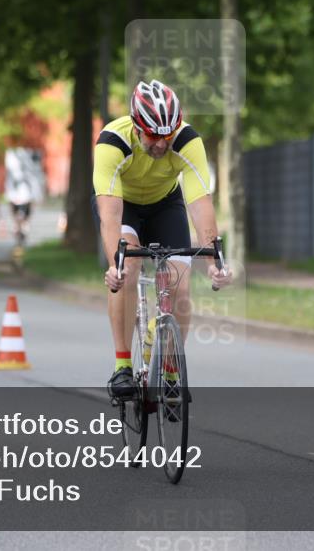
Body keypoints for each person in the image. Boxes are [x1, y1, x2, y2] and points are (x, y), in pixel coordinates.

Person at [92, 79, 231, 400]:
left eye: (167, 137)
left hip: (165, 204)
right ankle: (123, 365)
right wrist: (115, 264)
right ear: (136, 126)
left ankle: (169, 372)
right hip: (123, 206)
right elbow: (110, 215)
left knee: (181, 286)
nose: (160, 144)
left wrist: (214, 262)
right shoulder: (113, 142)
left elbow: (200, 202)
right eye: (153, 136)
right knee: (128, 271)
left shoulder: (187, 141)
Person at [5, 147, 43, 246]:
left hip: (23, 198)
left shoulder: (24, 169)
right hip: (19, 198)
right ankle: (20, 229)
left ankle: (21, 229)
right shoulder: (16, 167)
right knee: (21, 217)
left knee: (22, 217)